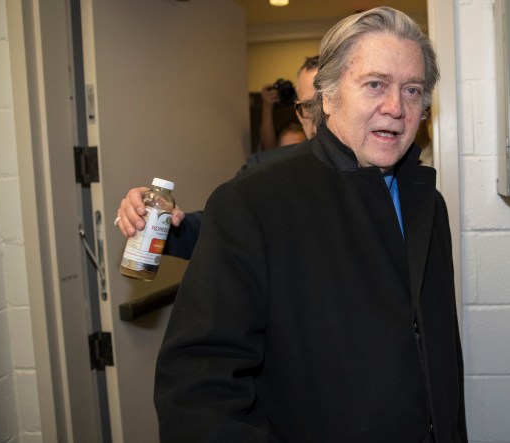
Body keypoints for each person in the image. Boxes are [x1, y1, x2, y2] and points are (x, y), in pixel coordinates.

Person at [154, 7, 466, 442]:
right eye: (375, 84)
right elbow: (196, 390)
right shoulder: (254, 203)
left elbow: (437, 357)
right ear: (328, 96)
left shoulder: (428, 204)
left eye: (412, 90)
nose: (396, 107)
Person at [114, 56, 320, 259]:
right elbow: (219, 227)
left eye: (327, 100)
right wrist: (158, 220)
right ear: (298, 113)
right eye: (310, 106)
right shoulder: (265, 169)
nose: (321, 114)